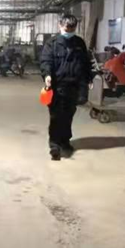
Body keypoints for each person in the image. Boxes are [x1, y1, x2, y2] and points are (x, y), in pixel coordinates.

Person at [40, 14, 92, 161]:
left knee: (68, 115)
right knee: (56, 116)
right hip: (57, 86)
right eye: (66, 29)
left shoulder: (79, 43)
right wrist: (47, 75)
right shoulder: (52, 43)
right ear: (60, 26)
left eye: (72, 29)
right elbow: (45, 61)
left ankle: (65, 141)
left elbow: (85, 63)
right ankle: (54, 146)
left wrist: (88, 78)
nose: (69, 31)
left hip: (73, 86)